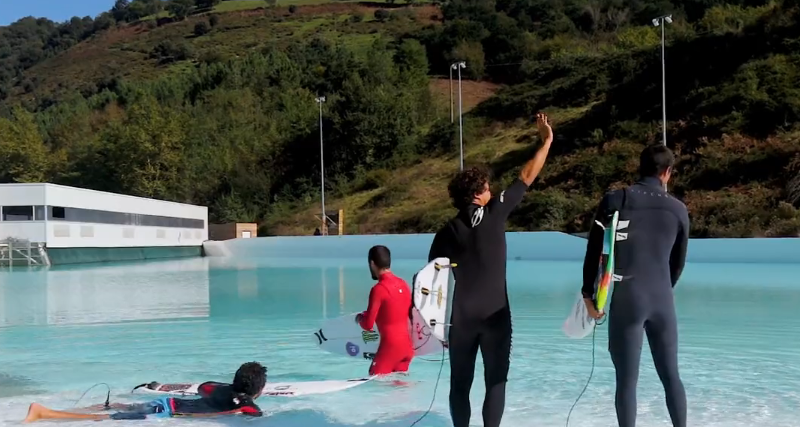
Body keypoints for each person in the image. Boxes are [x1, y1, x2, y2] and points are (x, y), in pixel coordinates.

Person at [427, 113, 554, 427]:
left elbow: (431, 280)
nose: (490, 189)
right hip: (496, 315)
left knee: (460, 384)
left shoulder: (446, 231)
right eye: (486, 187)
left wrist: (435, 325)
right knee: (495, 381)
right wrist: (547, 141)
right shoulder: (495, 212)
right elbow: (526, 175)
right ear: (477, 195)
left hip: (462, 319)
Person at [581, 143, 688, 427]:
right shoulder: (679, 209)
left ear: (639, 168)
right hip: (663, 299)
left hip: (628, 297)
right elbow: (677, 264)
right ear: (667, 172)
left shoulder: (616, 199)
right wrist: (663, 289)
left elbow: (595, 251)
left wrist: (588, 295)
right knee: (671, 376)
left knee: (626, 382)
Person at [23, 362, 267, 423]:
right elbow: (255, 415)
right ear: (259, 389)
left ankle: (60, 411)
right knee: (108, 419)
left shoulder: (219, 388)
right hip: (164, 410)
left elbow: (204, 385)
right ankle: (44, 413)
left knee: (117, 409)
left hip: (167, 401)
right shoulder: (244, 402)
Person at [355, 245, 415, 376]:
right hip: (407, 348)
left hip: (390, 349)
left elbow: (368, 325)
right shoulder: (403, 284)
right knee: (400, 390)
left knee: (375, 383)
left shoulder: (379, 289)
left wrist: (360, 318)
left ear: (372, 263)